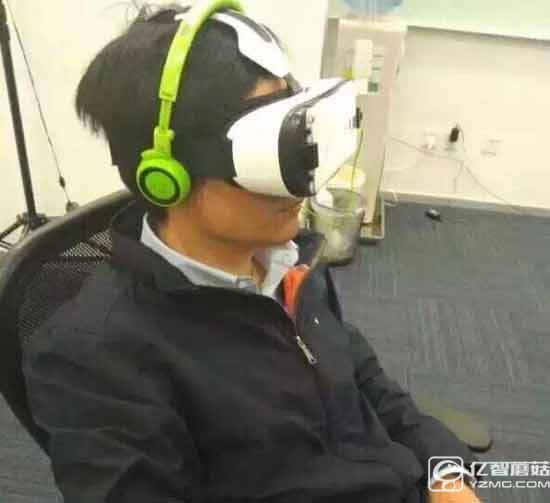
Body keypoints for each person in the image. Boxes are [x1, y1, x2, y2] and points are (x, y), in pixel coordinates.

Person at [23, 3, 481, 503]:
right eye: (270, 158)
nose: (302, 182)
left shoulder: (291, 263)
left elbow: (363, 380)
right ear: (166, 177)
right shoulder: (98, 360)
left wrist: (446, 475)